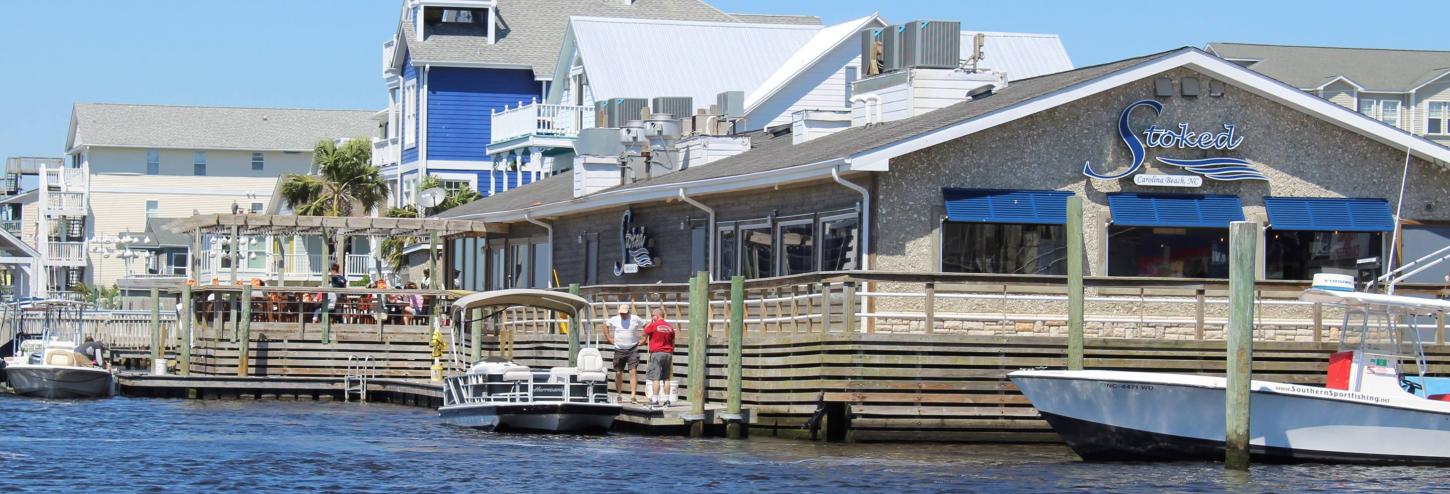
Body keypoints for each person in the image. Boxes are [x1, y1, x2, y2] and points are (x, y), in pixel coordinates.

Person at [601, 304, 645, 403]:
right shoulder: (615, 319)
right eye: (621, 313)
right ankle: (619, 394)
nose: (622, 315)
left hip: (632, 348)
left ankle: (633, 395)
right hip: (619, 349)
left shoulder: (635, 318)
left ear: (628, 312)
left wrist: (644, 338)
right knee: (618, 372)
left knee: (632, 371)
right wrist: (609, 338)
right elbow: (605, 325)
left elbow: (646, 325)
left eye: (624, 313)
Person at [642, 308, 676, 406]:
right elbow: (673, 342)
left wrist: (650, 322)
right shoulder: (670, 327)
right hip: (668, 353)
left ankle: (655, 400)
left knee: (655, 378)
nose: (652, 317)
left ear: (656, 316)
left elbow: (644, 333)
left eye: (652, 315)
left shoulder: (654, 325)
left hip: (657, 353)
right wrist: (670, 351)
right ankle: (667, 400)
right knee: (666, 378)